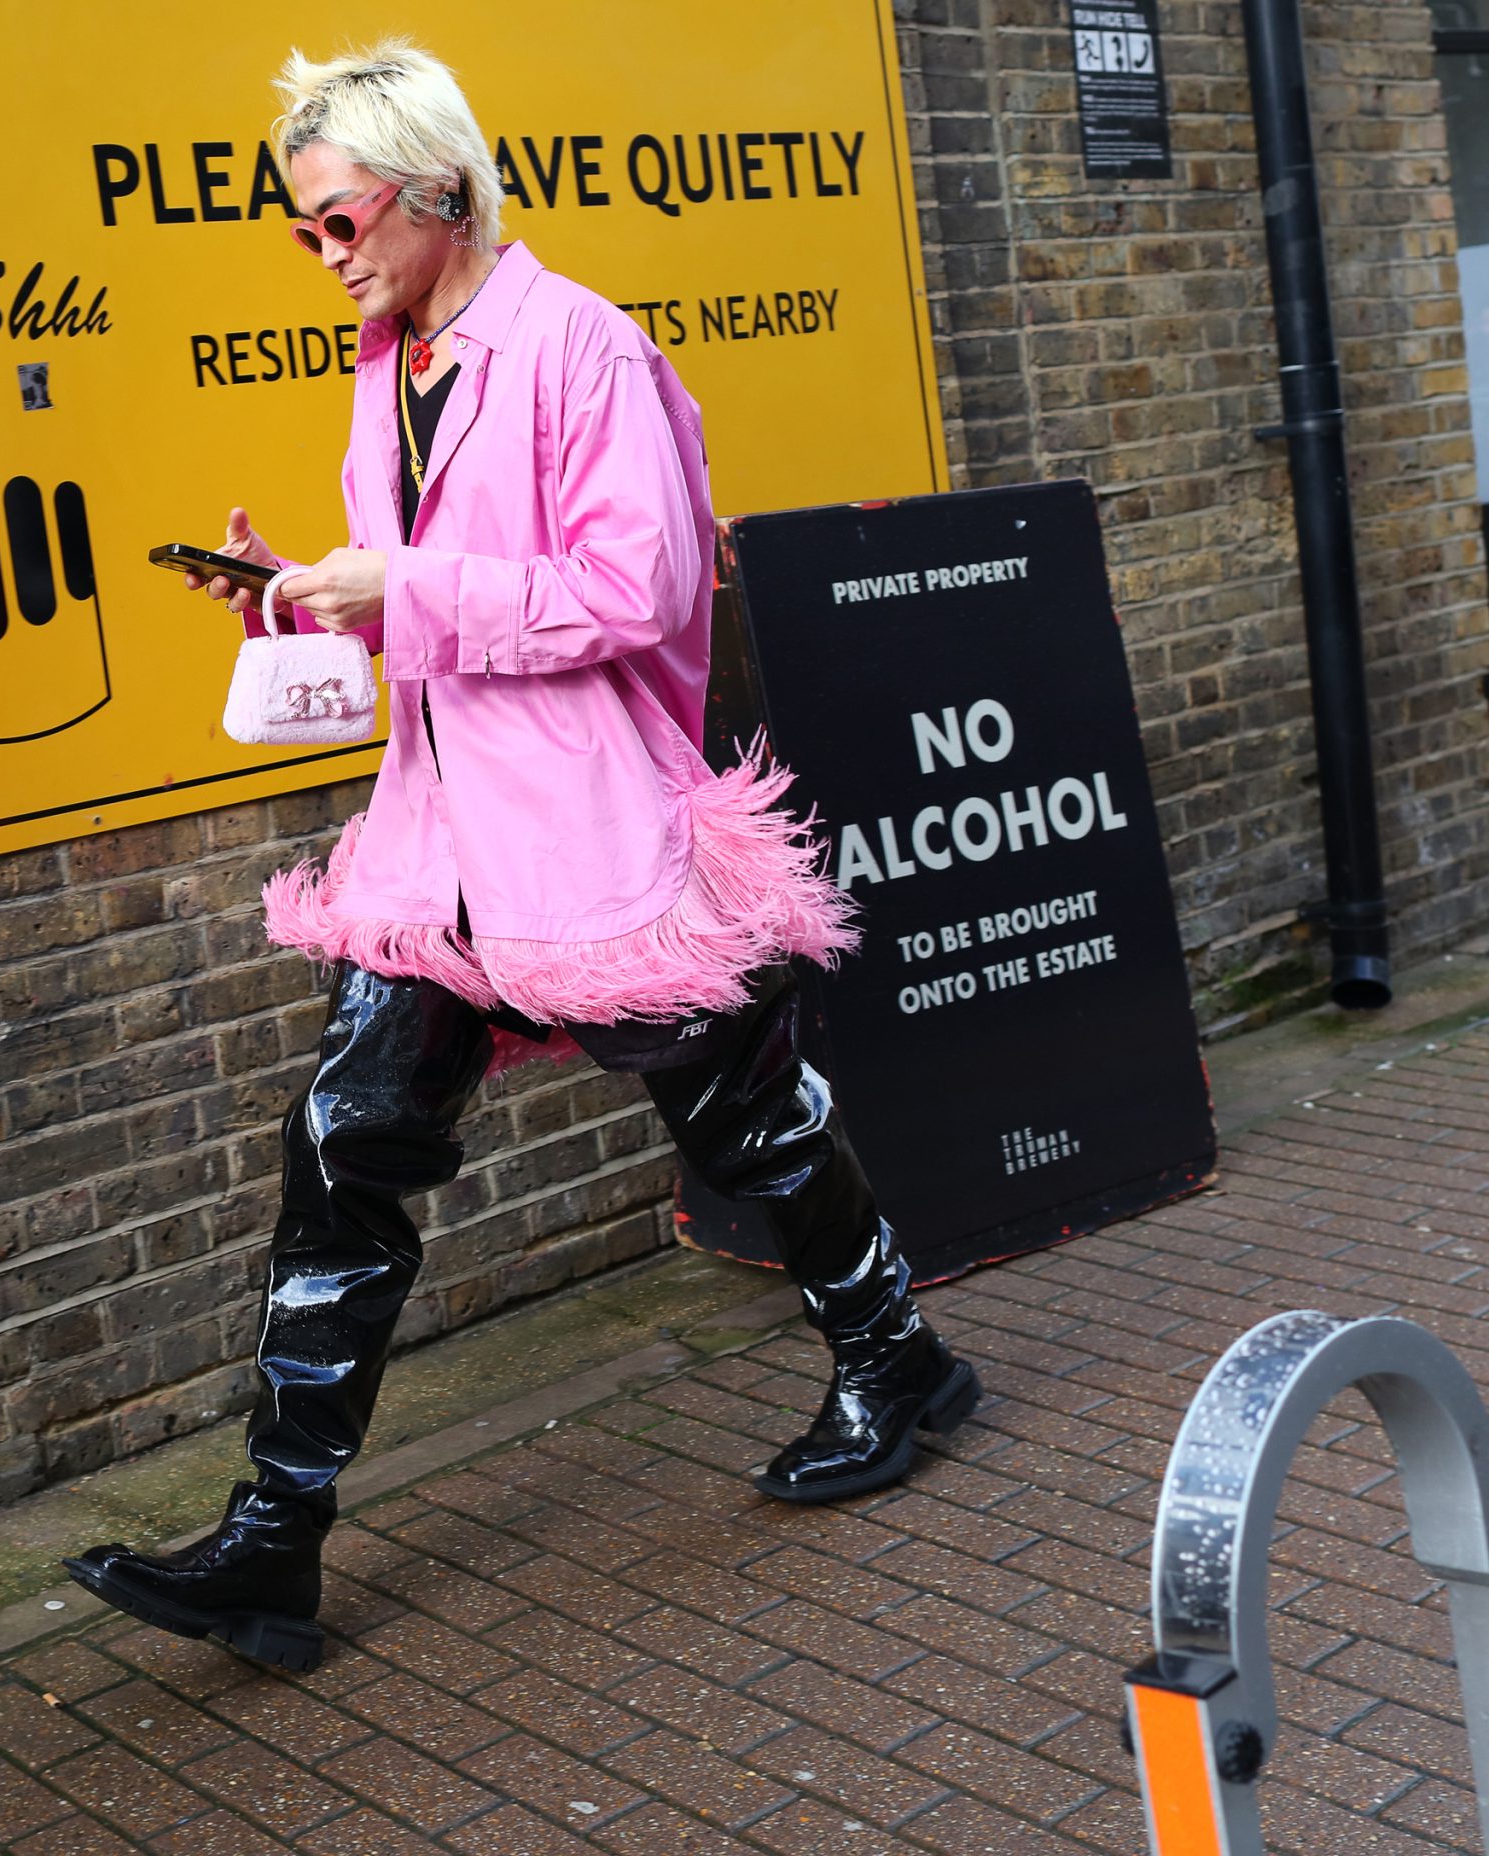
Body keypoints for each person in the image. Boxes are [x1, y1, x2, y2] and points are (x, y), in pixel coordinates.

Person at [64, 41, 978, 1673]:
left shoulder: (584, 349)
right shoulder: (385, 360)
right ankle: (273, 1542)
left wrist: (394, 594)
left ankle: (899, 1360)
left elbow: (634, 588)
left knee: (748, 1123)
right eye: (305, 232)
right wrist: (292, 594)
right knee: (344, 1145)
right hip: (437, 844)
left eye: (340, 221)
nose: (325, 253)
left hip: (589, 834)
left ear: (440, 193)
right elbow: (423, 577)